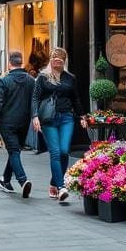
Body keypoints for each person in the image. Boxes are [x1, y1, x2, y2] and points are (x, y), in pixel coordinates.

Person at [31, 47, 84, 202]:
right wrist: (35, 116)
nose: (57, 63)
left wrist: (82, 116)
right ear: (51, 61)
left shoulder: (70, 78)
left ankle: (54, 182)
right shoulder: (43, 77)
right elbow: (35, 97)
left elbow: (76, 98)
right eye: (55, 60)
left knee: (64, 151)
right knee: (55, 152)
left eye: (60, 61)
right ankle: (61, 187)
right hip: (48, 119)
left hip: (67, 117)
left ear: (64, 61)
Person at [0, 51, 34, 198]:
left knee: (14, 151)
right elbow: (34, 102)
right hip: (24, 122)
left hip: (7, 122)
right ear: (21, 63)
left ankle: (23, 180)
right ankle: (5, 180)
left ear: (9, 63)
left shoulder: (4, 81)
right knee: (15, 150)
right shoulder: (31, 80)